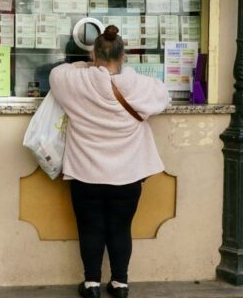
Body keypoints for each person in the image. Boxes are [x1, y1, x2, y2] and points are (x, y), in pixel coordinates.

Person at [49, 25, 170, 298]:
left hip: (85, 174)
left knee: (89, 228)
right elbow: (163, 96)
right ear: (123, 55)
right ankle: (120, 283)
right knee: (120, 227)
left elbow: (56, 73)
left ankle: (91, 284)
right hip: (127, 175)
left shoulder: (77, 81)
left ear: (94, 54)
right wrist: (123, 73)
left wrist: (86, 66)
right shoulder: (136, 83)